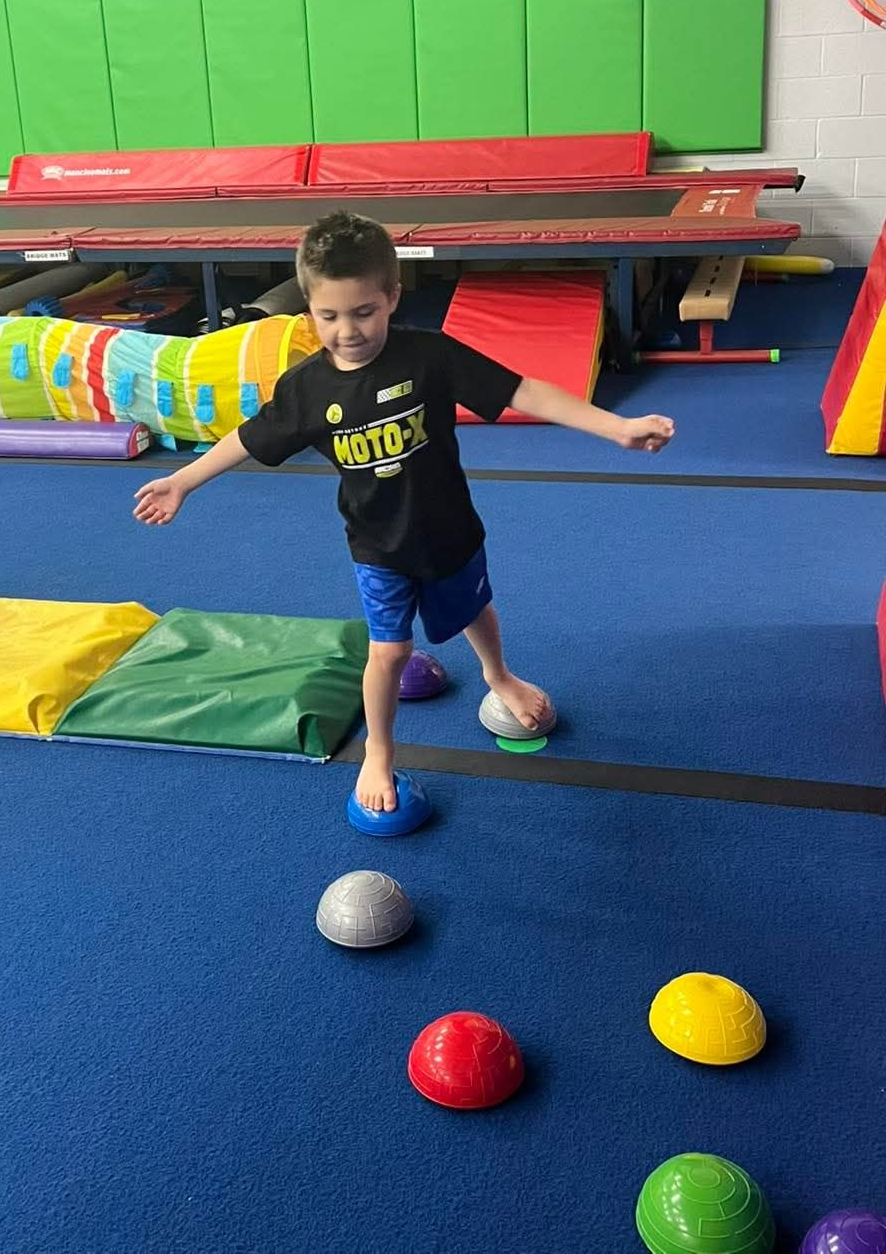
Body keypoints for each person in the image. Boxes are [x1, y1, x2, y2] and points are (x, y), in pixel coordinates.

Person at [134, 212, 675, 813]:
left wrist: (616, 425)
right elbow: (252, 436)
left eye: (363, 311)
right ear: (307, 307)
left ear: (392, 295)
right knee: (388, 652)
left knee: (475, 607)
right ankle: (380, 752)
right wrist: (183, 480)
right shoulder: (307, 387)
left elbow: (523, 390)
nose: (347, 331)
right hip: (378, 547)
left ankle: (499, 675)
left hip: (450, 529)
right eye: (329, 315)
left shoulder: (429, 356)